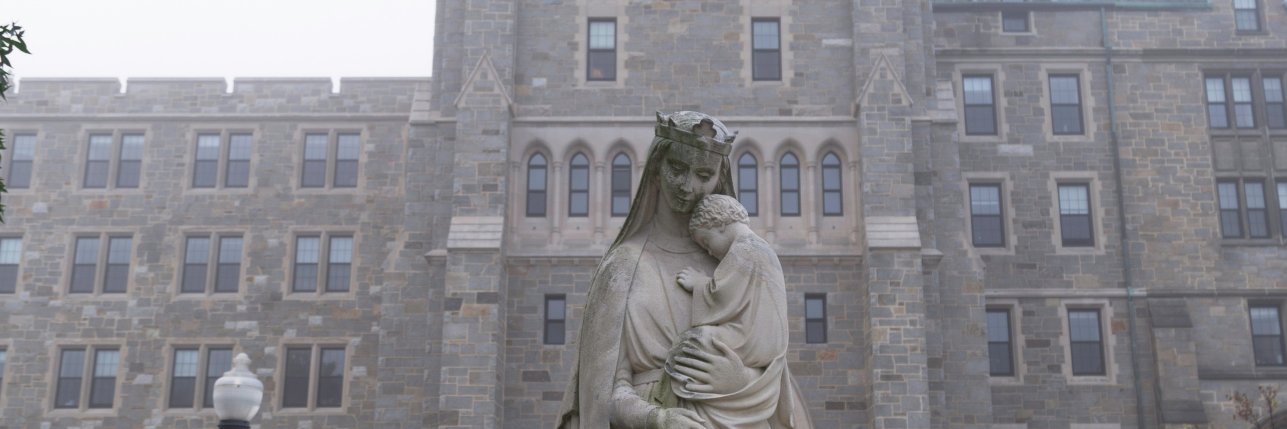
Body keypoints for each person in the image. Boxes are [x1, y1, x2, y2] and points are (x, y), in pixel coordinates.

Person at [555, 112, 813, 429]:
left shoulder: (742, 261)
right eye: (677, 168)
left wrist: (739, 380)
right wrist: (656, 418)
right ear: (655, 170)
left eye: (703, 174)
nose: (688, 185)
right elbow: (601, 393)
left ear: (719, 178)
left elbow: (771, 357)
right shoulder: (623, 266)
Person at [668, 194, 791, 428]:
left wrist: (698, 283)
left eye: (706, 242)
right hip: (762, 340)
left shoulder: (744, 249)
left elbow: (723, 294)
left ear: (721, 225)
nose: (709, 252)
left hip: (752, 340)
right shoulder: (759, 248)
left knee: (697, 341)